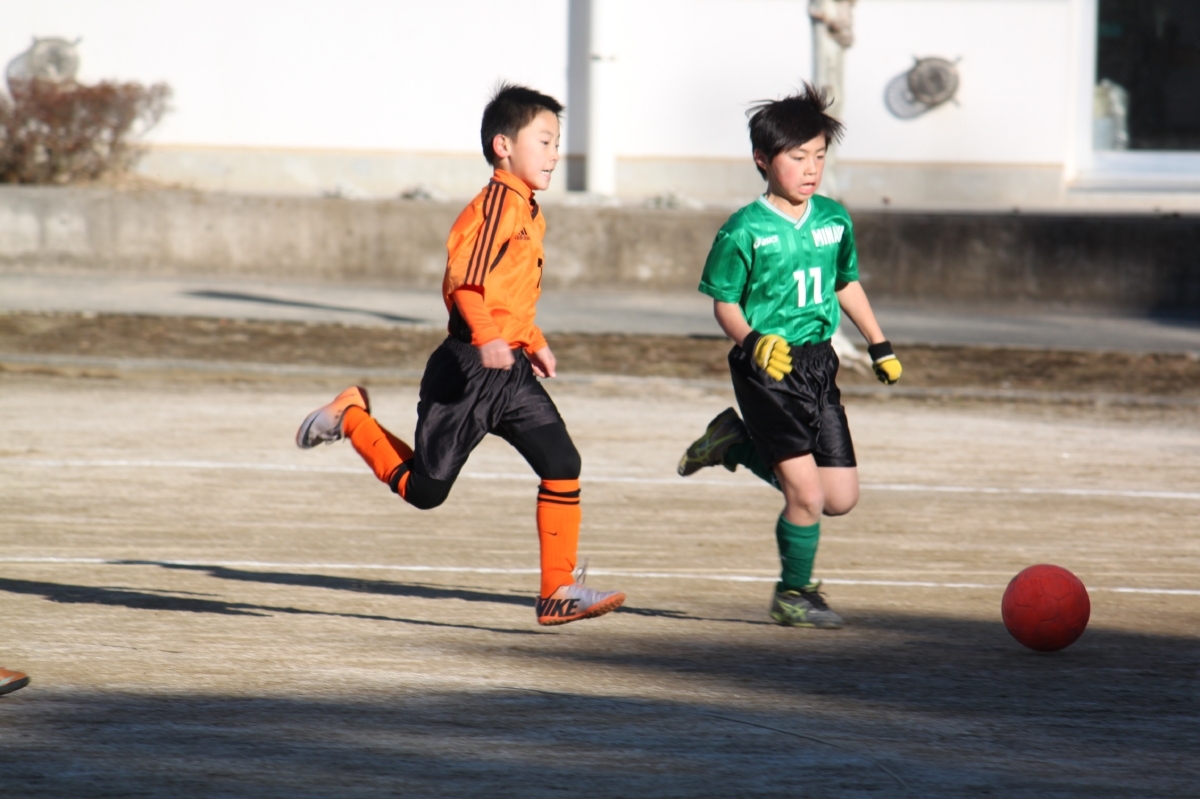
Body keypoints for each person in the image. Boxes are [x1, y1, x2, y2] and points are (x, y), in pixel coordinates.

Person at [296, 84, 624, 626]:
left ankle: (557, 591)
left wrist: (531, 339)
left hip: (509, 369)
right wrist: (488, 336)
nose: (554, 154)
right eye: (544, 141)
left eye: (557, 142)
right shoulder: (496, 205)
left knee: (562, 464)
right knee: (425, 492)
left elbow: (505, 290)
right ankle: (351, 417)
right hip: (468, 368)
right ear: (503, 146)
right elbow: (465, 284)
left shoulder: (528, 209)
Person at [676, 85, 902, 629]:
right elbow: (724, 304)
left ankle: (732, 443)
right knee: (806, 496)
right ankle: (793, 594)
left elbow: (845, 284)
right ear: (762, 159)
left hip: (819, 366)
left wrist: (879, 344)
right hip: (767, 369)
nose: (811, 168)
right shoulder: (743, 230)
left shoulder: (834, 219)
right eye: (798, 157)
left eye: (819, 156)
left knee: (838, 499)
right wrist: (754, 341)